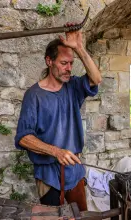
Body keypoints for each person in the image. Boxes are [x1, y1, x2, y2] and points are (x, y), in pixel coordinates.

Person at [14, 22, 102, 210]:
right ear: (49, 61)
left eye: (71, 63)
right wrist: (56, 151)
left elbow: (96, 79)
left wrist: (78, 48)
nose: (69, 68)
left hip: (75, 171)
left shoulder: (73, 87)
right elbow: (24, 137)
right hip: (48, 175)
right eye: (63, 63)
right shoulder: (33, 95)